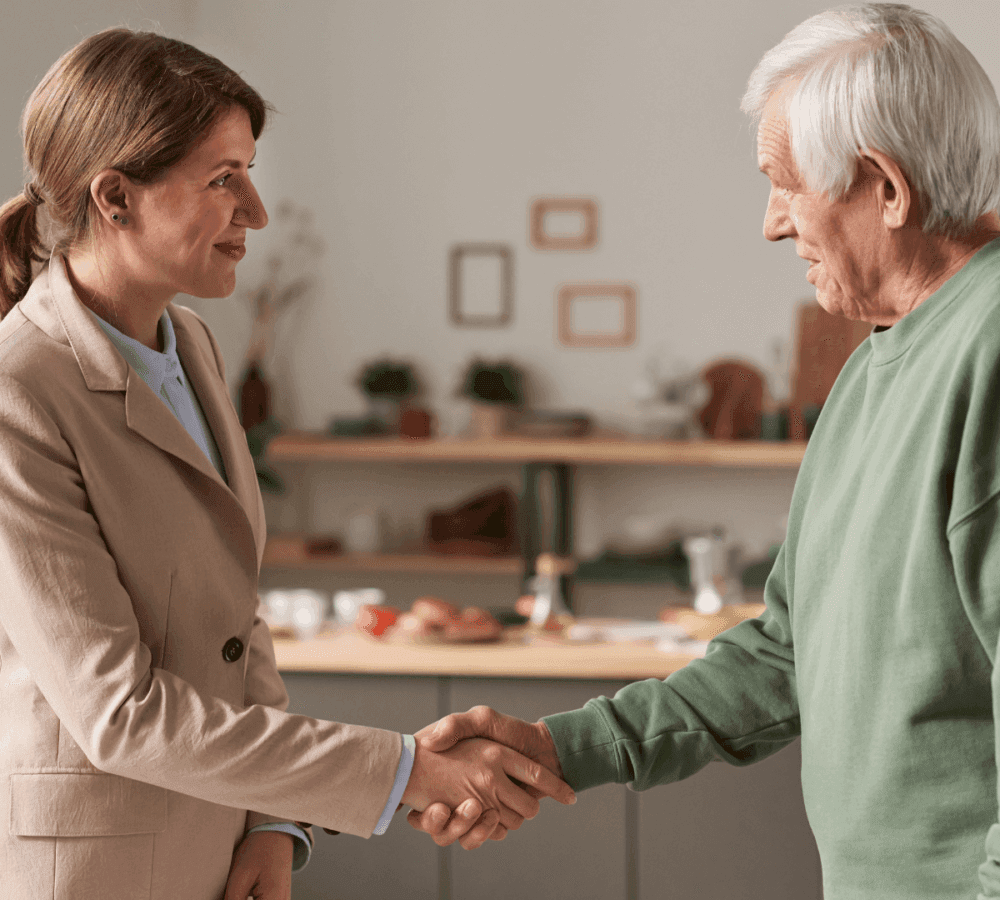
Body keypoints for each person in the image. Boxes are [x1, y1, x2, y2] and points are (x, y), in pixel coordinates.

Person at [410, 4, 1000, 897]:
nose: (771, 223)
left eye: (786, 182)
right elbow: (785, 654)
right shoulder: (876, 362)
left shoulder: (989, 352)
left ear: (885, 186)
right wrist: (560, 748)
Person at [0, 28, 574, 900]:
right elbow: (120, 714)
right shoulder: (19, 391)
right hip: (90, 871)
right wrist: (406, 772)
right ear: (115, 197)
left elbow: (236, 616)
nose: (256, 212)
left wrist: (271, 822)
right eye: (223, 178)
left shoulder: (190, 344)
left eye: (249, 170)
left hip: (222, 854)